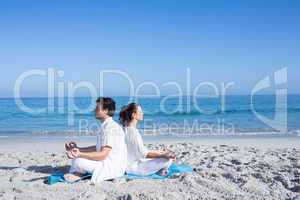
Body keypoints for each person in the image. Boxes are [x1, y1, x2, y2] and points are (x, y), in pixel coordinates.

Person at [64, 97, 127, 183]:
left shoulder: (110, 128)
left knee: (78, 161)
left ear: (105, 110)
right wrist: (78, 149)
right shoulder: (107, 125)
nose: (94, 110)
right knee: (77, 159)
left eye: (97, 108)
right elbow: (98, 148)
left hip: (111, 168)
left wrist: (80, 154)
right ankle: (80, 173)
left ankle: (79, 174)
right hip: (112, 165)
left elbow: (103, 155)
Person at [119, 103, 175, 176]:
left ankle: (161, 169)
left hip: (129, 164)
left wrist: (160, 152)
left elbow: (139, 150)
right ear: (133, 115)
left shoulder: (125, 129)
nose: (143, 113)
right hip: (133, 168)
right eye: (140, 112)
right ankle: (160, 172)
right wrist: (164, 155)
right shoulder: (133, 133)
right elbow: (144, 154)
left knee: (166, 155)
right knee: (168, 160)